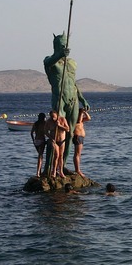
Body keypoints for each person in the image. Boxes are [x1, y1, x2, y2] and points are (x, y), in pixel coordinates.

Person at [44, 33, 90, 174]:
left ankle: (61, 166)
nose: (64, 47)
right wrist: (59, 55)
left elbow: (73, 83)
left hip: (73, 100)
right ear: (56, 46)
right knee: (56, 133)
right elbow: (48, 63)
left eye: (66, 45)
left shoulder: (72, 63)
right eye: (61, 45)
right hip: (60, 98)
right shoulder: (50, 61)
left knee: (70, 134)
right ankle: (49, 168)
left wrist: (82, 98)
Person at [45, 110, 70, 178]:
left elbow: (67, 129)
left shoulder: (62, 119)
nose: (53, 118)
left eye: (54, 117)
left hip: (62, 141)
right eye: (51, 117)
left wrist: (59, 125)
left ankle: (61, 171)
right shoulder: (49, 121)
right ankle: (54, 171)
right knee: (56, 155)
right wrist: (51, 138)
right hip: (54, 141)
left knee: (61, 156)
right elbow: (46, 131)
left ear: (57, 115)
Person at [73, 108, 91, 177]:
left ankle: (78, 169)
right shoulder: (75, 122)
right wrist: (81, 113)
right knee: (77, 154)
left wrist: (85, 112)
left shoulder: (81, 121)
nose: (82, 116)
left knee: (78, 154)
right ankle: (77, 170)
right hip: (78, 137)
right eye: (81, 114)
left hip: (81, 137)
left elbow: (88, 118)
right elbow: (78, 120)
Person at [30, 113, 46, 177]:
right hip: (42, 140)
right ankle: (38, 172)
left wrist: (33, 140)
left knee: (40, 156)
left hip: (36, 140)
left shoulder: (36, 123)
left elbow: (31, 133)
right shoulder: (44, 123)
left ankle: (39, 171)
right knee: (40, 156)